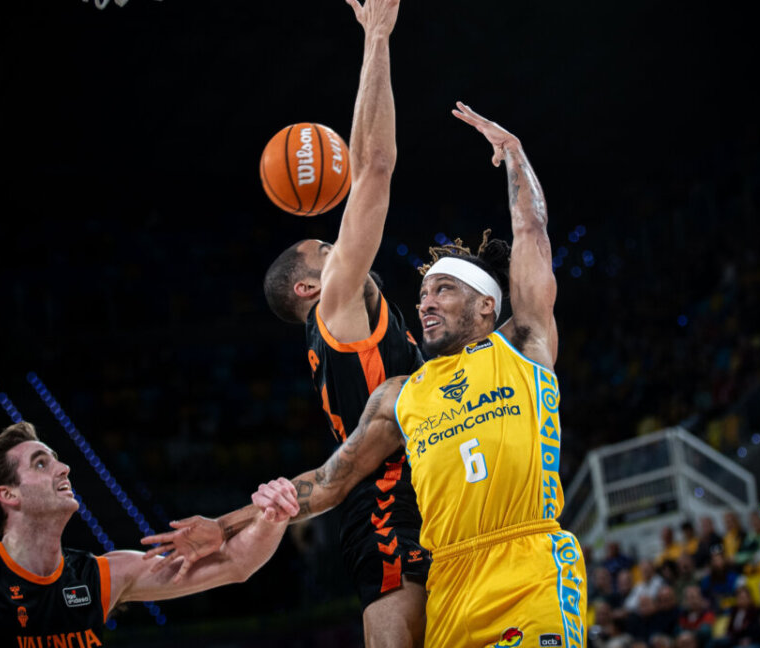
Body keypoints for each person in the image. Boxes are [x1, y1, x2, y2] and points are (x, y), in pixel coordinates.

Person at [145, 105, 586, 647]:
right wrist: (225, 525)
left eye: (443, 290)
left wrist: (515, 155)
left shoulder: (524, 348)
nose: (425, 302)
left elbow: (531, 231)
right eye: (422, 294)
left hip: (527, 565)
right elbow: (328, 483)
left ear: (486, 309)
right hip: (447, 581)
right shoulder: (399, 395)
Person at [208, 0, 427, 647]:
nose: (341, 246)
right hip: (394, 512)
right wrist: (377, 42)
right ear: (309, 285)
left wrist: (228, 523)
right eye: (326, 249)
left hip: (414, 496)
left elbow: (365, 170)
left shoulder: (347, 314)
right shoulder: (338, 310)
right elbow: (376, 169)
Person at [0, 421, 296, 648]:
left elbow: (236, 565)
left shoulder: (101, 575)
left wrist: (272, 515)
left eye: (57, 458)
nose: (64, 468)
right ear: (8, 495)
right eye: (41, 463)